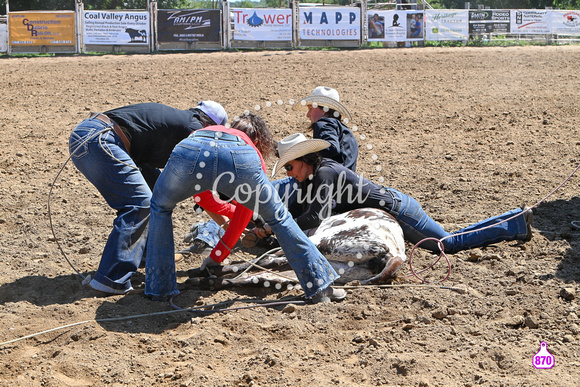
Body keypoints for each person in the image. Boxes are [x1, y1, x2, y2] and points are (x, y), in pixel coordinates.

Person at [144, 114, 346, 303]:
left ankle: (159, 288)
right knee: (281, 220)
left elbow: (202, 198)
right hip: (240, 155)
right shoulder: (252, 149)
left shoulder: (212, 129)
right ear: (259, 140)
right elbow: (242, 215)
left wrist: (215, 257)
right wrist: (217, 258)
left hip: (190, 148)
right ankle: (320, 287)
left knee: (160, 208)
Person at [252, 133, 534, 260]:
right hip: (395, 205)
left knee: (447, 244)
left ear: (304, 160)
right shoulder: (316, 174)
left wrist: (277, 226)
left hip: (399, 210)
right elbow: (300, 209)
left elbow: (316, 216)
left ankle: (515, 223)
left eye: (289, 166)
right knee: (447, 241)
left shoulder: (325, 174)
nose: (288, 173)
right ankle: (514, 220)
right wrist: (273, 225)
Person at [68, 101, 228, 295]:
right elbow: (201, 190)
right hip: (100, 139)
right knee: (140, 202)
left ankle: (146, 255)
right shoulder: (194, 129)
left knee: (156, 189)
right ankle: (111, 279)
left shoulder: (181, 123)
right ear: (211, 125)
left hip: (96, 135)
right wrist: (229, 225)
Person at [184, 86, 359, 253]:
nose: (307, 114)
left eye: (310, 108)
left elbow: (331, 149)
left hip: (312, 184)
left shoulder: (324, 124)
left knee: (253, 197)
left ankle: (207, 232)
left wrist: (311, 155)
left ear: (320, 107)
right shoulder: (347, 134)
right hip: (334, 192)